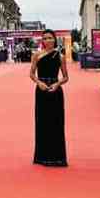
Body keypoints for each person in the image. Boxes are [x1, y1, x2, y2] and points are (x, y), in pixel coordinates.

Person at [30, 29, 69, 167]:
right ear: (42, 41)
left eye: (50, 38)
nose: (48, 41)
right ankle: (42, 156)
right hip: (41, 90)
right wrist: (39, 82)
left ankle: (57, 157)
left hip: (55, 90)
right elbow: (32, 74)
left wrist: (57, 84)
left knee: (56, 123)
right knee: (42, 123)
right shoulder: (36, 55)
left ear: (55, 39)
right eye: (45, 38)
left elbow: (65, 77)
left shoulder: (60, 56)